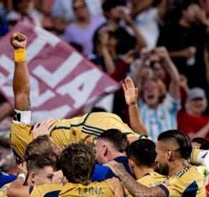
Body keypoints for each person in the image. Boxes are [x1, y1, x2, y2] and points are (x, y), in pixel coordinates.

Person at [8, 31, 142, 161]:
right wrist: (41, 141)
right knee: (139, 147)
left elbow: (21, 93)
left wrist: (20, 52)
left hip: (92, 129)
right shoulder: (43, 164)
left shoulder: (21, 139)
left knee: (140, 146)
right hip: (93, 134)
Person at [135, 47, 182, 141]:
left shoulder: (168, 107)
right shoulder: (140, 108)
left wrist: (166, 59)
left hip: (169, 153)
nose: (149, 91)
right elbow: (134, 84)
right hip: (147, 154)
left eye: (153, 88)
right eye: (146, 89)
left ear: (160, 92)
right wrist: (142, 61)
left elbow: (175, 81)